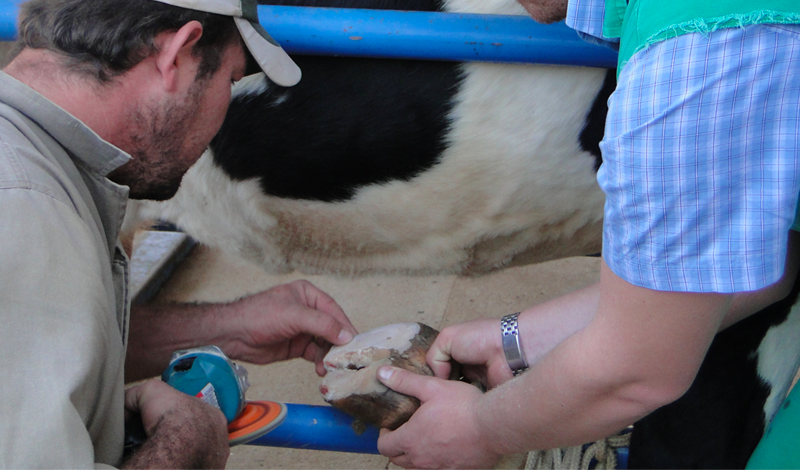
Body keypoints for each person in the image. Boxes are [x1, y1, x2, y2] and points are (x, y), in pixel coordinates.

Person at [373, 0, 800, 469]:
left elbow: (636, 372)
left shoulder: (697, 50)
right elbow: (765, 260)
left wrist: (480, 428)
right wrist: (514, 340)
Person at [0, 0, 358, 468]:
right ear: (178, 53)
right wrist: (188, 442)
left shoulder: (33, 169)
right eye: (231, 79)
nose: (221, 117)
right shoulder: (26, 212)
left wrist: (229, 328)